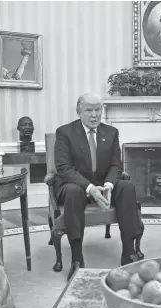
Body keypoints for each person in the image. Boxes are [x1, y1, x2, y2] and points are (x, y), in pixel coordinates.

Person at [54, 93, 143, 280]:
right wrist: (90, 188)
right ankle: (77, 259)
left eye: (97, 110)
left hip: (103, 184)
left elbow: (116, 165)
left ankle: (128, 253)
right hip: (74, 185)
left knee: (127, 188)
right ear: (79, 112)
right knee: (72, 191)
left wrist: (109, 185)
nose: (94, 115)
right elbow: (64, 168)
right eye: (89, 110)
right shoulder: (64, 133)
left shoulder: (111, 133)